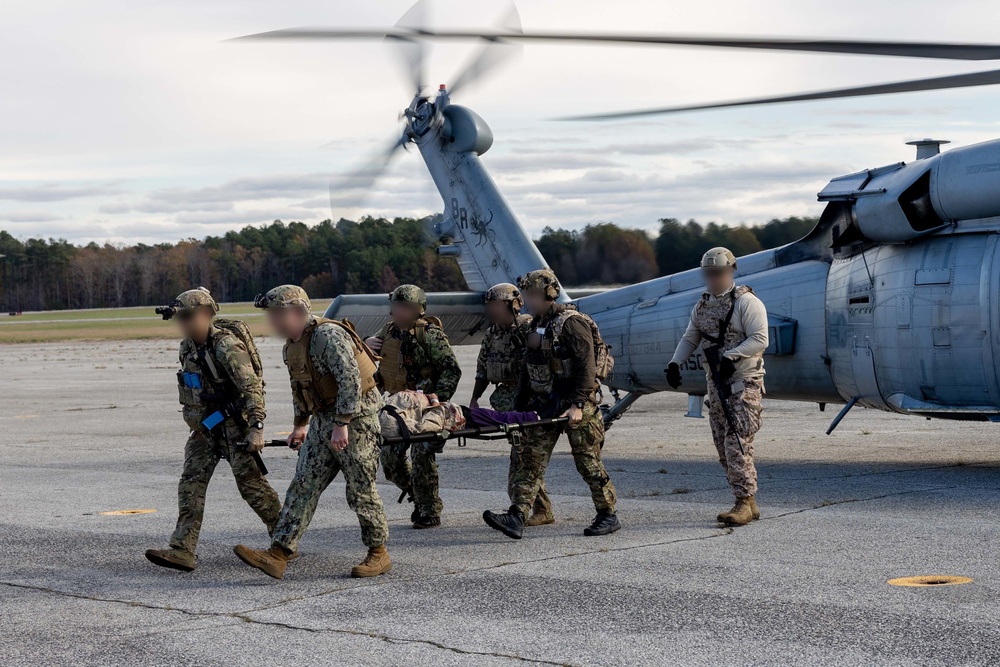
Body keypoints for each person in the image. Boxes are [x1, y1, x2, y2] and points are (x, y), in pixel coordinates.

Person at [233, 285, 391, 579]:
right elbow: (301, 388)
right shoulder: (292, 345)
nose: (274, 322)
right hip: (322, 420)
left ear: (297, 311)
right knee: (304, 484)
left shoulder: (328, 336)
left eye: (277, 315)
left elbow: (351, 382)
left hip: (356, 418)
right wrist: (300, 425)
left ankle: (378, 553)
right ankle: (279, 553)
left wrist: (342, 424)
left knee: (360, 488)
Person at [145, 287, 281, 572]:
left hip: (235, 427)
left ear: (206, 314)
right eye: (179, 318)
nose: (183, 323)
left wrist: (256, 428)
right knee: (190, 485)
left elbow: (252, 388)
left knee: (253, 488)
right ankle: (182, 549)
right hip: (206, 431)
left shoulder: (226, 345)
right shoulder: (187, 347)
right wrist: (197, 426)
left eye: (188, 316)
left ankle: (284, 540)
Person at [482, 269, 620, 539]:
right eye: (527, 296)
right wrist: (518, 410)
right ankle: (517, 515)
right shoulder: (535, 325)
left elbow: (587, 368)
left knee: (587, 462)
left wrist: (578, 404)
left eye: (534, 295)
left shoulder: (572, 323)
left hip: (578, 405)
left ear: (550, 293)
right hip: (546, 403)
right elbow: (526, 369)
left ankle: (607, 513)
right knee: (530, 460)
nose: (530, 301)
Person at [665, 247, 768, 526]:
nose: (714, 278)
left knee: (737, 442)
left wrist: (731, 356)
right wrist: (675, 363)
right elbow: (691, 337)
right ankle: (749, 500)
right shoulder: (703, 306)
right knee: (723, 446)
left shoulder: (746, 303)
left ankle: (744, 502)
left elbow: (760, 339)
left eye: (719, 273)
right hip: (717, 384)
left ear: (731, 271)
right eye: (709, 274)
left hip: (743, 382)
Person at [365, 284, 461, 529]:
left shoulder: (429, 334)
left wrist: (438, 398)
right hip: (397, 407)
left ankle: (429, 510)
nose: (399, 312)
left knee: (422, 460)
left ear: (418, 310)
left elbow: (451, 369)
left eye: (405, 307)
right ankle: (417, 496)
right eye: (396, 307)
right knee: (390, 463)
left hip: (423, 408)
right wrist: (366, 345)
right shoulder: (389, 331)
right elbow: (381, 367)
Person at [470, 282, 554, 527]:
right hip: (503, 401)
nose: (491, 310)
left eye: (495, 305)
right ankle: (539, 508)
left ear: (513, 305)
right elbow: (482, 369)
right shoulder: (492, 332)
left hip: (525, 402)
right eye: (489, 305)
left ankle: (531, 508)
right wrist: (475, 398)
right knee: (523, 455)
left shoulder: (528, 329)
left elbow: (539, 366)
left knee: (524, 457)